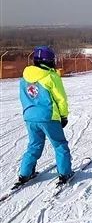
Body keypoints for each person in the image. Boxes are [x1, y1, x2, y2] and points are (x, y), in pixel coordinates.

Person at [17, 46, 73, 187]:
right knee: (60, 145)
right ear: (48, 61)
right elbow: (61, 98)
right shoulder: (50, 76)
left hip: (30, 116)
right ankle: (65, 173)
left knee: (34, 145)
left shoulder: (24, 77)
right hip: (48, 117)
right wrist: (63, 116)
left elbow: (24, 97)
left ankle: (25, 173)